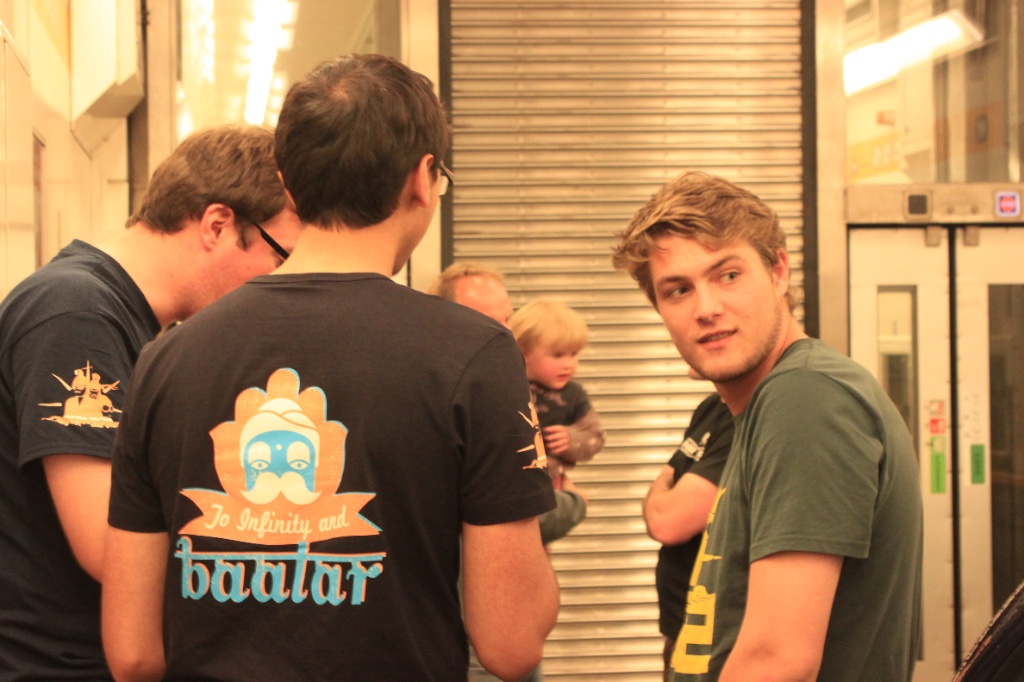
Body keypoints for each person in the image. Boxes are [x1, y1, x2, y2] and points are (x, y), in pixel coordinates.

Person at [103, 54, 560, 682]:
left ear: (288, 185)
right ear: (422, 178)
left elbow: (132, 654)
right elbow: (511, 643)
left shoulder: (166, 359)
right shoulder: (474, 355)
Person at [0, 124, 300, 679]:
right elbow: (107, 545)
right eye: (281, 257)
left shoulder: (126, 321)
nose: (280, 284)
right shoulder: (76, 313)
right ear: (217, 224)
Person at [613, 171, 923, 681]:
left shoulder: (806, 396)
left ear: (779, 271)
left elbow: (778, 659)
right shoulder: (766, 407)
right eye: (678, 290)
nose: (706, 309)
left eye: (728, 275)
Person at [433, 264, 590, 546]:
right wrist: (573, 504)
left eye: (508, 319)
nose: (507, 333)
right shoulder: (473, 400)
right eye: (490, 322)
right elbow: (516, 513)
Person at [642, 371, 733, 682]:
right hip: (681, 626)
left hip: (711, 641)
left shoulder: (745, 421)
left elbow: (667, 522)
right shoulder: (712, 407)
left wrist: (663, 488)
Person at [508, 300, 605, 489]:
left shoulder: (573, 395)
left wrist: (571, 439)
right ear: (524, 352)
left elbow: (596, 436)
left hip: (552, 483)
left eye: (574, 354)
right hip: (509, 480)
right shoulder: (509, 387)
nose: (568, 364)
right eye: (558, 355)